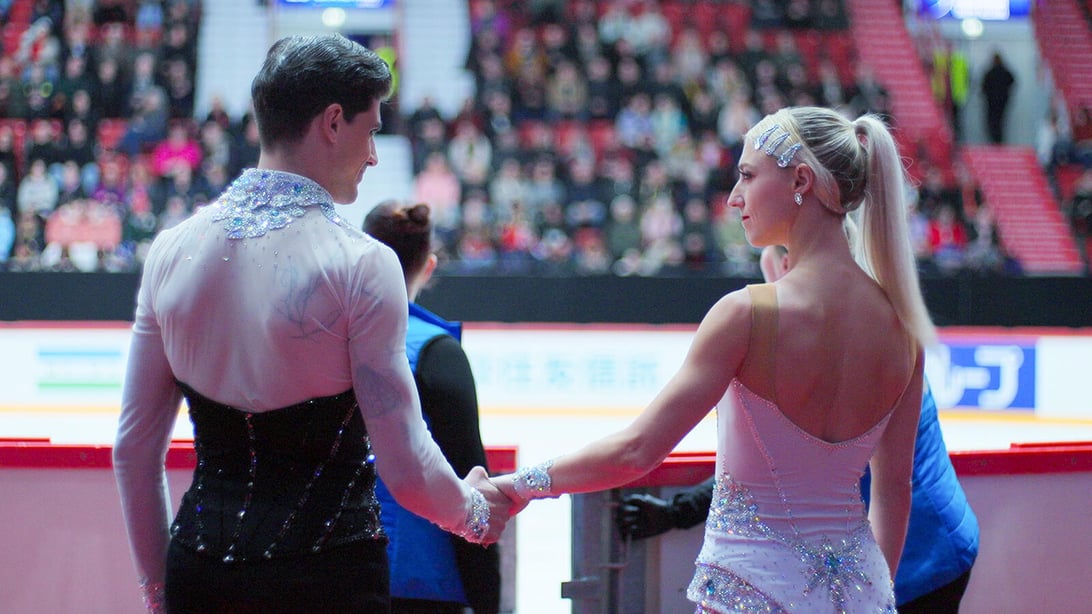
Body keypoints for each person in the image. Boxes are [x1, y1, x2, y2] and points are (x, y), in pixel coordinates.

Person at [113, 34, 509, 614]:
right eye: (371, 130)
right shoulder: (362, 264)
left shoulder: (172, 250)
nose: (374, 155)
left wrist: (157, 590)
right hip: (328, 580)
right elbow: (405, 466)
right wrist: (474, 513)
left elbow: (133, 451)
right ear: (332, 122)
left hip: (201, 572)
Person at [493, 106, 935, 612]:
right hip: (865, 596)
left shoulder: (746, 315)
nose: (733, 197)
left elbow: (637, 451)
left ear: (802, 180)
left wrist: (518, 486)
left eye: (747, 175)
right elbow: (895, 489)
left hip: (750, 595)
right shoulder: (903, 331)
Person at [617, 245, 979, 613]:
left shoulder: (840, 348)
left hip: (920, 558)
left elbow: (778, 471)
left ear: (794, 266)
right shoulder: (874, 322)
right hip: (939, 540)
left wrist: (677, 511)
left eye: (772, 282)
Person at [363, 201, 501, 614]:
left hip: (334, 575)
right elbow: (469, 479)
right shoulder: (434, 351)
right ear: (429, 264)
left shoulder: (321, 338)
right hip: (421, 581)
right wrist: (486, 599)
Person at [982, 51, 1015, 144]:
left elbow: (983, 86)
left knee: (993, 122)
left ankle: (995, 141)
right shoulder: (1004, 71)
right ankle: (998, 141)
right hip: (1001, 101)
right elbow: (1012, 81)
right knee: (1000, 122)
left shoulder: (990, 72)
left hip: (992, 102)